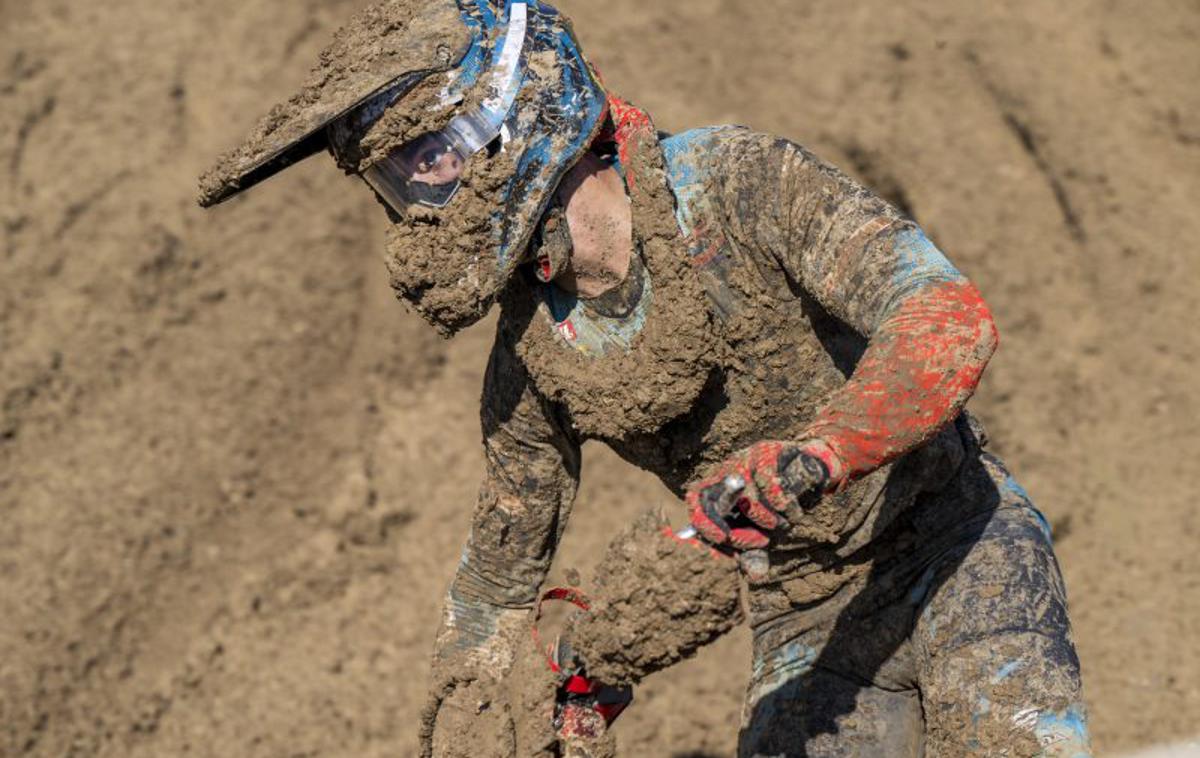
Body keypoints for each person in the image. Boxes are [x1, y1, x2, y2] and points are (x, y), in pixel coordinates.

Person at [199, 0, 1092, 755]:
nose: (419, 206)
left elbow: (945, 316)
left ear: (512, 111)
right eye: (397, 184)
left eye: (426, 160)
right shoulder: (531, 353)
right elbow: (493, 594)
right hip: (801, 614)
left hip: (955, 543)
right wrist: (518, 706)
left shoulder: (738, 182)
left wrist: (823, 452)